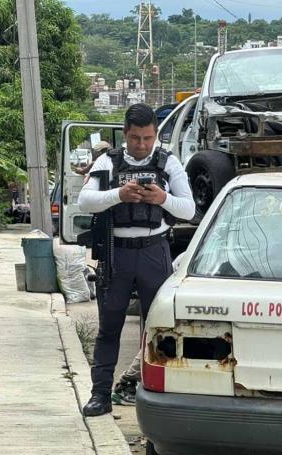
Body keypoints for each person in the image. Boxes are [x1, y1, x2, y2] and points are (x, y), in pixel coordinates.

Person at [78, 103, 195, 416]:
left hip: (154, 252)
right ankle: (100, 395)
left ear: (155, 135)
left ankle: (161, 395)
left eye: (147, 138)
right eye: (134, 138)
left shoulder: (168, 162)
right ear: (125, 134)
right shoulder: (107, 161)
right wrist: (119, 194)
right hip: (116, 253)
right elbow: (85, 201)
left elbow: (189, 209)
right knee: (109, 327)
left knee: (159, 327)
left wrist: (162, 198)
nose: (141, 145)